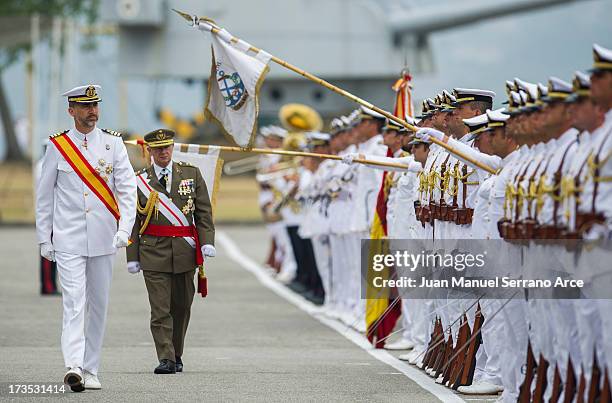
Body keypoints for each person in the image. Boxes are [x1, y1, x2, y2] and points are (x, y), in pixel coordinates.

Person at [35, 84, 137, 391]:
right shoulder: (58, 146)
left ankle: (91, 368)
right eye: (85, 106)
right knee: (74, 303)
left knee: (99, 305)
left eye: (95, 105)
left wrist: (124, 229)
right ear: (72, 111)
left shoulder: (113, 144)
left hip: (105, 237)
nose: (92, 111)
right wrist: (44, 238)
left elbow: (127, 190)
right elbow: (44, 196)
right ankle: (74, 366)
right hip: (68, 238)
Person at [126, 128, 215, 374]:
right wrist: (131, 256)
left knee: (182, 307)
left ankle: (176, 354)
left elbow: (203, 213)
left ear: (172, 148)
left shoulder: (191, 174)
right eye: (158, 149)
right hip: (153, 252)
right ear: (150, 151)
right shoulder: (139, 180)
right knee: (160, 309)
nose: (163, 152)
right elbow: (132, 220)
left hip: (185, 252)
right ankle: (165, 358)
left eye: (167, 147)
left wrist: (207, 240)